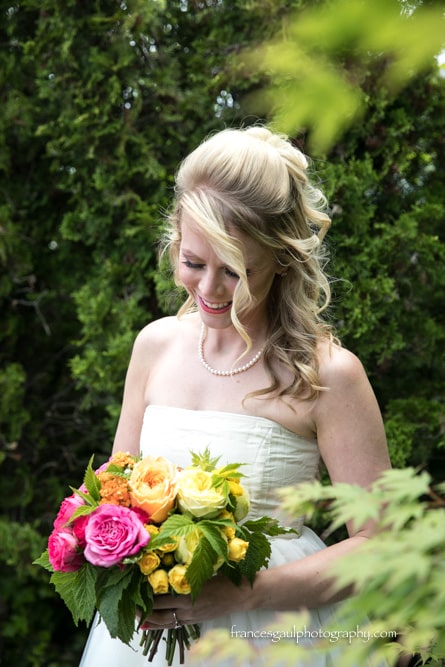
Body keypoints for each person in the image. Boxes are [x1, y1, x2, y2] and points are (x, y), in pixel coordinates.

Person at [79, 125, 391, 666]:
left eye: (236, 271)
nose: (209, 290)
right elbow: (115, 493)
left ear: (281, 258)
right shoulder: (154, 346)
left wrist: (243, 593)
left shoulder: (328, 375)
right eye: (193, 263)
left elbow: (380, 545)